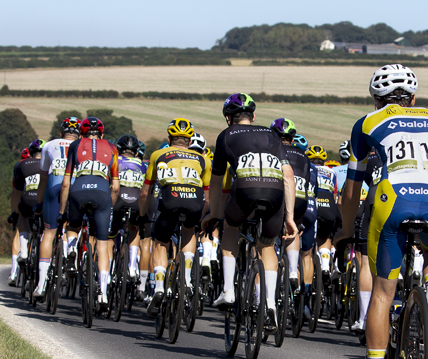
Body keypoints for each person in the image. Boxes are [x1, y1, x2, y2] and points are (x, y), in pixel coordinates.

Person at [337, 64, 428, 359]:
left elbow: (352, 189)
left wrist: (345, 232)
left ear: (376, 99)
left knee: (382, 295)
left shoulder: (367, 123)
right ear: (414, 97)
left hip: (393, 198)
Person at [208, 94, 298, 322]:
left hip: (244, 189)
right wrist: (290, 217)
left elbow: (217, 180)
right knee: (267, 247)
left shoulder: (225, 135)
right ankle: (269, 305)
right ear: (254, 116)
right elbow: (288, 175)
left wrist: (215, 214)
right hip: (275, 192)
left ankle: (228, 290)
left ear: (228, 118)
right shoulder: (272, 135)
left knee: (230, 227)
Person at [141, 118, 210, 312]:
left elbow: (146, 192)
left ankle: (160, 288)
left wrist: (143, 215)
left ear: (169, 138)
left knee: (160, 243)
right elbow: (206, 197)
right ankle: (187, 280)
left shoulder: (157, 155)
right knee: (189, 231)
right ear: (189, 142)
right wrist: (201, 218)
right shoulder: (203, 160)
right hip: (194, 202)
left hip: (169, 201)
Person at [58, 116, 120, 308]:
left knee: (73, 226)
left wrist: (62, 211)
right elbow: (116, 186)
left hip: (78, 191)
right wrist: (109, 206)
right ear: (101, 133)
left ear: (82, 132)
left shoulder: (75, 145)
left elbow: (66, 182)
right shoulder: (112, 148)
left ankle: (71, 251)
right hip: (102, 194)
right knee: (102, 245)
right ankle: (103, 294)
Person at [34, 118, 80, 298]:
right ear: (79, 134)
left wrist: (39, 204)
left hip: (54, 188)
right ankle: (71, 250)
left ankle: (41, 284)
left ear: (61, 133)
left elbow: (43, 178)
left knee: (49, 232)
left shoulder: (49, 145)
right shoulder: (82, 146)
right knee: (72, 227)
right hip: (75, 189)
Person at [272, 118, 317, 294]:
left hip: (281, 198)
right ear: (292, 139)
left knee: (266, 238)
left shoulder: (273, 152)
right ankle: (292, 271)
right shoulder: (305, 158)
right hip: (302, 201)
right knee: (294, 229)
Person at [9, 139, 45, 286]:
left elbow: (16, 192)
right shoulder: (49, 164)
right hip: (42, 202)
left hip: (26, 199)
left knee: (22, 220)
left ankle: (23, 253)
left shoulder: (21, 164)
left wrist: (14, 213)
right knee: (47, 231)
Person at [113, 134, 147, 284]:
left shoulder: (114, 161)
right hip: (136, 202)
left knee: (110, 235)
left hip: (118, 201)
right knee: (134, 229)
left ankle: (109, 270)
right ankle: (132, 266)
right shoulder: (143, 164)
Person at [308, 145, 339, 293]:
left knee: (305, 240)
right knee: (325, 236)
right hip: (329, 208)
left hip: (312, 204)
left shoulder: (306, 167)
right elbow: (334, 195)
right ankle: (326, 263)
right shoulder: (331, 172)